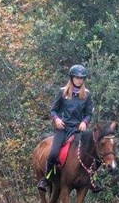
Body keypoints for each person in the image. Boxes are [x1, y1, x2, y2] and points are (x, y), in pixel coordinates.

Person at [37, 64, 100, 193]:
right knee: (54, 153)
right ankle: (46, 179)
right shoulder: (62, 92)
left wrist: (85, 122)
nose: (79, 80)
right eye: (77, 77)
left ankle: (91, 180)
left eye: (82, 78)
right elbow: (53, 110)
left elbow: (88, 113)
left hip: (78, 130)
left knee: (95, 153)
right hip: (63, 128)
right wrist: (57, 119)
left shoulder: (87, 95)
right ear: (71, 78)